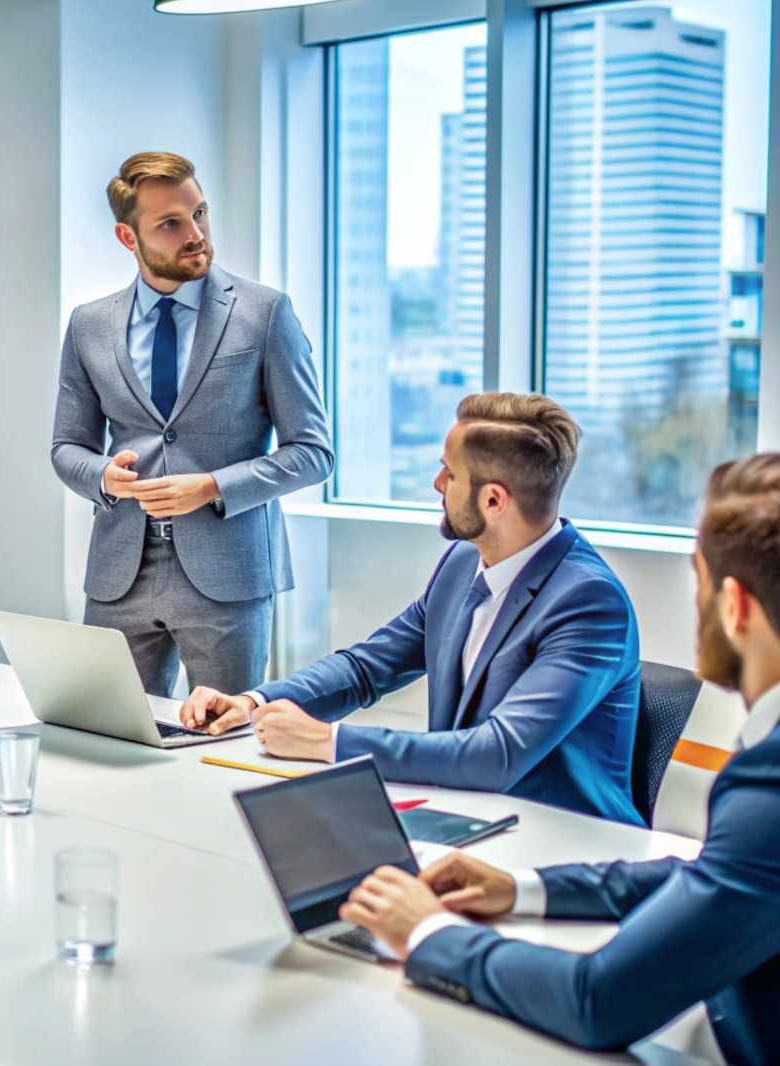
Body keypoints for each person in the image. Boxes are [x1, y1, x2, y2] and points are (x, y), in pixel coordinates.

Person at [340, 453, 780, 1064]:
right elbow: (722, 875)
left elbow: (596, 1000)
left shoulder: (768, 783)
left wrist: (427, 931)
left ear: (734, 605)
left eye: (697, 583)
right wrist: (524, 889)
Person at [182, 392, 642, 825]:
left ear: (493, 500)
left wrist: (328, 741)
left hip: (562, 839)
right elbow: (366, 668)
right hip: (466, 813)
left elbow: (498, 754)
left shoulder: (588, 602)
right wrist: (254, 702)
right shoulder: (463, 563)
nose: (436, 484)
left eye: (449, 473)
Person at [51, 151, 331, 698]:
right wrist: (104, 476)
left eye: (199, 213)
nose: (196, 234)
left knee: (221, 737)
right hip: (120, 572)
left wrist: (210, 487)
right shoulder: (89, 325)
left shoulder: (266, 313)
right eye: (171, 224)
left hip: (229, 574)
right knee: (110, 732)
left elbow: (313, 452)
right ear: (128, 237)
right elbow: (67, 447)